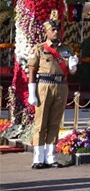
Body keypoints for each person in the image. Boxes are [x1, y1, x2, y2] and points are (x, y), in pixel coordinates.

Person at [26, 12, 78, 168]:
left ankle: (50, 157)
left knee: (55, 122)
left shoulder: (66, 48)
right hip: (44, 86)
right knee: (40, 123)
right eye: (53, 30)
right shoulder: (39, 49)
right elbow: (32, 71)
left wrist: (73, 65)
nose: (56, 32)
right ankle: (38, 158)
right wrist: (31, 92)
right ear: (46, 32)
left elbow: (71, 71)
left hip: (61, 86)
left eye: (58, 30)